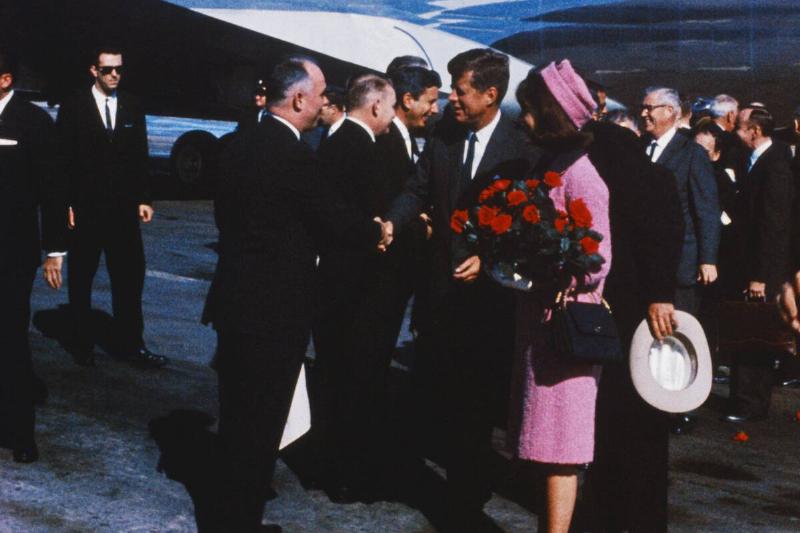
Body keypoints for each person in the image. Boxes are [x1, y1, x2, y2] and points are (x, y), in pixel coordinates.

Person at [202, 56, 390, 532]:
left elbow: (227, 221)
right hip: (276, 312)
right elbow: (333, 222)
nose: (327, 102)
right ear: (300, 99)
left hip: (234, 302)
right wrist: (378, 231)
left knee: (237, 422)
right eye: (323, 93)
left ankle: (228, 518)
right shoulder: (295, 158)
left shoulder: (234, 146)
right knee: (261, 429)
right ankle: (239, 522)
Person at [385, 48, 542, 528]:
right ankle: (438, 478)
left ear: (491, 95)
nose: (452, 98)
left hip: (491, 300)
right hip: (441, 293)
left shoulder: (523, 150)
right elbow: (418, 188)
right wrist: (391, 221)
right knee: (438, 391)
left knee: (477, 402)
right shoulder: (444, 136)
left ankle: (465, 497)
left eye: (461, 89)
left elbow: (530, 225)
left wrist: (492, 260)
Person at [509, 60, 612, 533]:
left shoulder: (582, 175)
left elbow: (598, 259)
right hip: (545, 325)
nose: (523, 120)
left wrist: (548, 265)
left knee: (561, 451)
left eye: (530, 111)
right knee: (548, 447)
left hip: (567, 329)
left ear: (550, 116)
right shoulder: (556, 167)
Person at [577, 106, 684, 533]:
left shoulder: (611, 184)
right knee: (645, 426)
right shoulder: (654, 179)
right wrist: (660, 294)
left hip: (619, 315)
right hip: (647, 317)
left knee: (612, 423)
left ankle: (606, 512)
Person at [312, 73, 400, 502]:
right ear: (378, 106)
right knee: (351, 380)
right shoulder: (358, 145)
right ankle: (346, 474)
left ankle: (334, 464)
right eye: (392, 106)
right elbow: (338, 212)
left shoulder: (339, 138)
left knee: (336, 377)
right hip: (352, 286)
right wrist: (377, 231)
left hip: (336, 284)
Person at [56, 45, 166, 368]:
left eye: (119, 69)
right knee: (82, 278)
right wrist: (65, 204)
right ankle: (81, 342)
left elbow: (140, 156)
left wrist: (145, 198)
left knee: (130, 279)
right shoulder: (74, 106)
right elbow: (63, 161)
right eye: (108, 70)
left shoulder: (132, 105)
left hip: (122, 212)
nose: (115, 75)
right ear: (94, 71)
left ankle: (132, 345)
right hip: (86, 210)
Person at [0, 47, 69, 464]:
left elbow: (54, 191)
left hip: (12, 251)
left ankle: (19, 432)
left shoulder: (33, 122)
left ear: (5, 79)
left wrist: (55, 251)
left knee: (9, 338)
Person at [723, 106, 795, 423]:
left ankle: (751, 403)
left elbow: (773, 226)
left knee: (755, 336)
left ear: (754, 131)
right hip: (750, 265)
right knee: (747, 332)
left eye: (739, 127)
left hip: (761, 271)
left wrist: (761, 277)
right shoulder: (756, 160)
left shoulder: (775, 166)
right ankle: (743, 398)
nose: (734, 132)